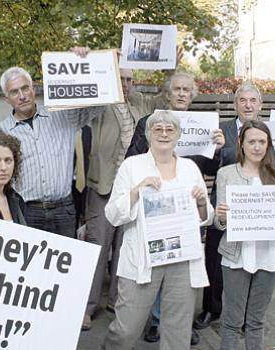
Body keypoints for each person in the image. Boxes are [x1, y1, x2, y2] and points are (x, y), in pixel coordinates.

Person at [194, 82, 275, 331]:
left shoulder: (270, 132)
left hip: (260, 210)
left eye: (252, 100)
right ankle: (211, 309)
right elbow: (210, 169)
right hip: (227, 206)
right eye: (242, 100)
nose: (248, 105)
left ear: (260, 104)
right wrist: (217, 151)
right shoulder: (221, 130)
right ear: (235, 105)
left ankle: (246, 316)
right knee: (214, 261)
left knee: (251, 264)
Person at [100, 110, 214, 350]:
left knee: (178, 330)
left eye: (170, 129)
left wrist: (202, 203)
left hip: (183, 258)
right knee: (126, 328)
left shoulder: (190, 168)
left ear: (178, 135)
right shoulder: (133, 166)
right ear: (148, 133)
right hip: (144, 257)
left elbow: (206, 217)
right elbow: (112, 214)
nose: (164, 133)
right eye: (158, 128)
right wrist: (135, 191)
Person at [126, 72, 225, 344]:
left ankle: (178, 324)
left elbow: (210, 170)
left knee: (183, 265)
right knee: (159, 261)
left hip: (187, 208)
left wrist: (217, 150)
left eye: (187, 90)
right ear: (167, 94)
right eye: (177, 89)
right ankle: (157, 321)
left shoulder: (202, 127)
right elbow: (131, 159)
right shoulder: (149, 122)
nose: (181, 93)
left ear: (192, 95)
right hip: (156, 205)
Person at [214, 120, 275, 349]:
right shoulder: (226, 173)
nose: (257, 147)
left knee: (256, 321)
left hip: (269, 253)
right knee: (231, 322)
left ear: (269, 144)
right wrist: (220, 215)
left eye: (262, 141)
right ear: (241, 143)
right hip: (236, 254)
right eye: (252, 141)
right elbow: (219, 222)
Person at [0, 51, 104, 238]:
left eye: (25, 88)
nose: (22, 96)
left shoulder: (61, 115)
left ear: (34, 89)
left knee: (68, 265)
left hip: (64, 211)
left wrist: (82, 62)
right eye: (14, 92)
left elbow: (99, 103)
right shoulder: (2, 132)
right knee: (29, 266)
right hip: (26, 212)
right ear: (7, 99)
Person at [82, 68, 149, 330]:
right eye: (120, 78)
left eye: (129, 78)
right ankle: (87, 307)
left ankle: (115, 300)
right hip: (104, 185)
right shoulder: (101, 103)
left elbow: (167, 100)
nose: (125, 83)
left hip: (132, 186)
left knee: (124, 248)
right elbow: (81, 96)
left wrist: (168, 66)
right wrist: (85, 62)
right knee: (98, 247)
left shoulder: (138, 102)